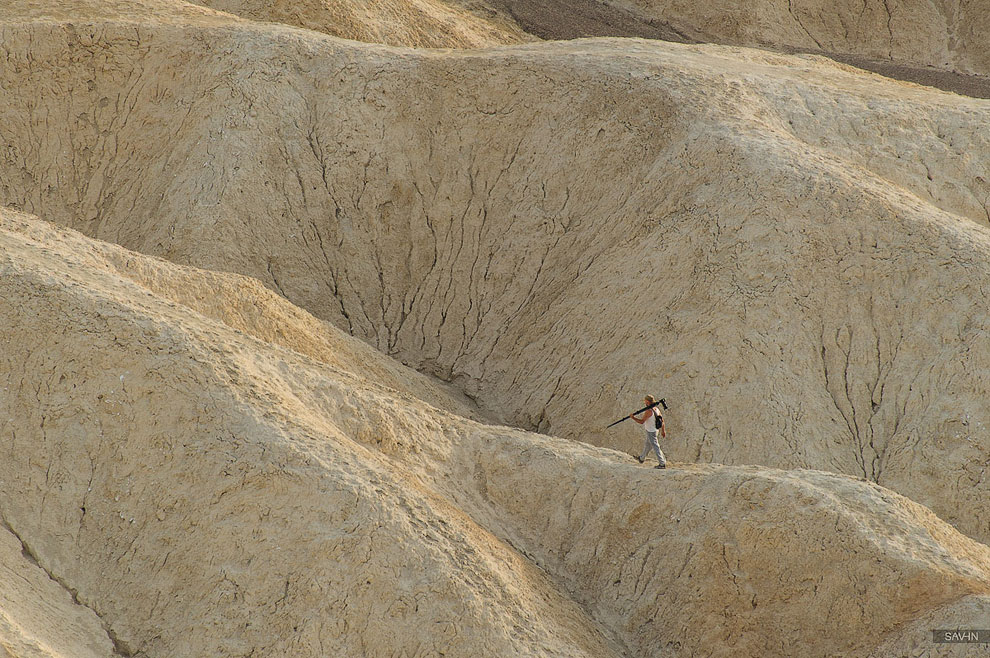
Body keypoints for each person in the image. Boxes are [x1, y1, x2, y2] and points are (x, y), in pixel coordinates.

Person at [631, 395, 667, 469]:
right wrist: (663, 431)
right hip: (655, 430)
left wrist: (633, 418)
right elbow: (662, 420)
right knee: (648, 445)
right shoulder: (656, 409)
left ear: (647, 401)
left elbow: (641, 421)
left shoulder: (648, 411)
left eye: (645, 400)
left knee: (655, 446)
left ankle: (662, 463)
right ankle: (641, 458)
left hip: (651, 431)